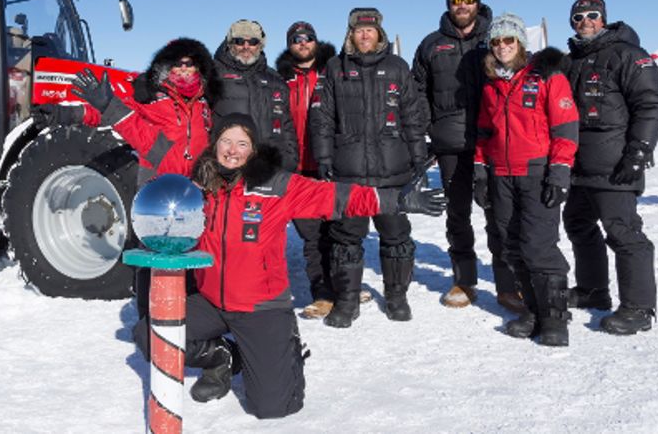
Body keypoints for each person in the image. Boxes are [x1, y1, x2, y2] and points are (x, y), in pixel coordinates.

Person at [135, 113, 445, 419]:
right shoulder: (200, 183)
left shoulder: (276, 185)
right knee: (148, 333)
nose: (232, 150)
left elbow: (336, 197)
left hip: (261, 306)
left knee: (273, 407)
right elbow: (156, 147)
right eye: (225, 141)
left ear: (253, 149)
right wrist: (110, 109)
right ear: (214, 145)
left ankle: (286, 346)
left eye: (241, 143)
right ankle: (223, 356)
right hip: (212, 302)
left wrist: (396, 201)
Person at [71, 37, 218, 316]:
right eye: (177, 64)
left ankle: (187, 316)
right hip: (157, 191)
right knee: (153, 255)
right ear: (166, 68)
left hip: (192, 194)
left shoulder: (204, 105)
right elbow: (111, 112)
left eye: (190, 64)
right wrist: (75, 112)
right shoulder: (151, 99)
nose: (184, 70)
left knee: (190, 255)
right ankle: (146, 317)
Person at [310, 8, 429, 326]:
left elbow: (413, 118)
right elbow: (321, 118)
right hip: (349, 172)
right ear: (350, 34)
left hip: (393, 170)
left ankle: (396, 297)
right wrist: (323, 159)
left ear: (379, 34)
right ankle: (347, 302)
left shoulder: (398, 68)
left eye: (370, 30)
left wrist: (419, 159)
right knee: (346, 240)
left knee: (397, 238)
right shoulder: (335, 69)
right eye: (358, 30)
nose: (364, 35)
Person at [412, 0, 522, 312]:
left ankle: (507, 285)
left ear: (477, 3)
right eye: (456, 0)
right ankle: (465, 280)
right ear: (448, 4)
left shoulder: (496, 39)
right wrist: (430, 128)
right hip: (451, 144)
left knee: (499, 213)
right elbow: (418, 91)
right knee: (457, 215)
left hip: (494, 142)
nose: (462, 5)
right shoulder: (432, 45)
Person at [561, 0, 658, 335]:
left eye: (592, 15)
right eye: (578, 17)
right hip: (577, 166)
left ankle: (638, 308)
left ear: (604, 19)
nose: (585, 21)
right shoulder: (570, 60)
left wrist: (639, 151)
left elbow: (651, 105)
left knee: (623, 232)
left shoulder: (628, 55)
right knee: (577, 223)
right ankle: (593, 290)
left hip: (615, 165)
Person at [473, 13, 578, 347]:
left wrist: (559, 170)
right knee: (511, 244)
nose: (502, 47)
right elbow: (483, 132)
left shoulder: (546, 75)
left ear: (520, 42)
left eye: (509, 40)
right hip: (501, 174)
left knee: (539, 246)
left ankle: (555, 319)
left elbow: (565, 127)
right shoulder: (492, 82)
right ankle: (533, 310)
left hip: (536, 173)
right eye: (497, 41)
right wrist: (479, 168)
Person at [274, 21, 350, 319]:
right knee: (312, 234)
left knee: (339, 230)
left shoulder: (333, 71)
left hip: (331, 163)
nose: (302, 43)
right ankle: (323, 293)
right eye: (296, 39)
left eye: (307, 39)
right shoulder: (279, 79)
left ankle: (345, 287)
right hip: (297, 167)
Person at [211, 19, 299, 171]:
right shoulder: (213, 75)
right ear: (230, 43)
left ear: (260, 45)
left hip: (270, 166)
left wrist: (290, 159)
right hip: (230, 164)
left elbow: (286, 124)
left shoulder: (275, 80)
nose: (246, 47)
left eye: (252, 41)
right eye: (239, 41)